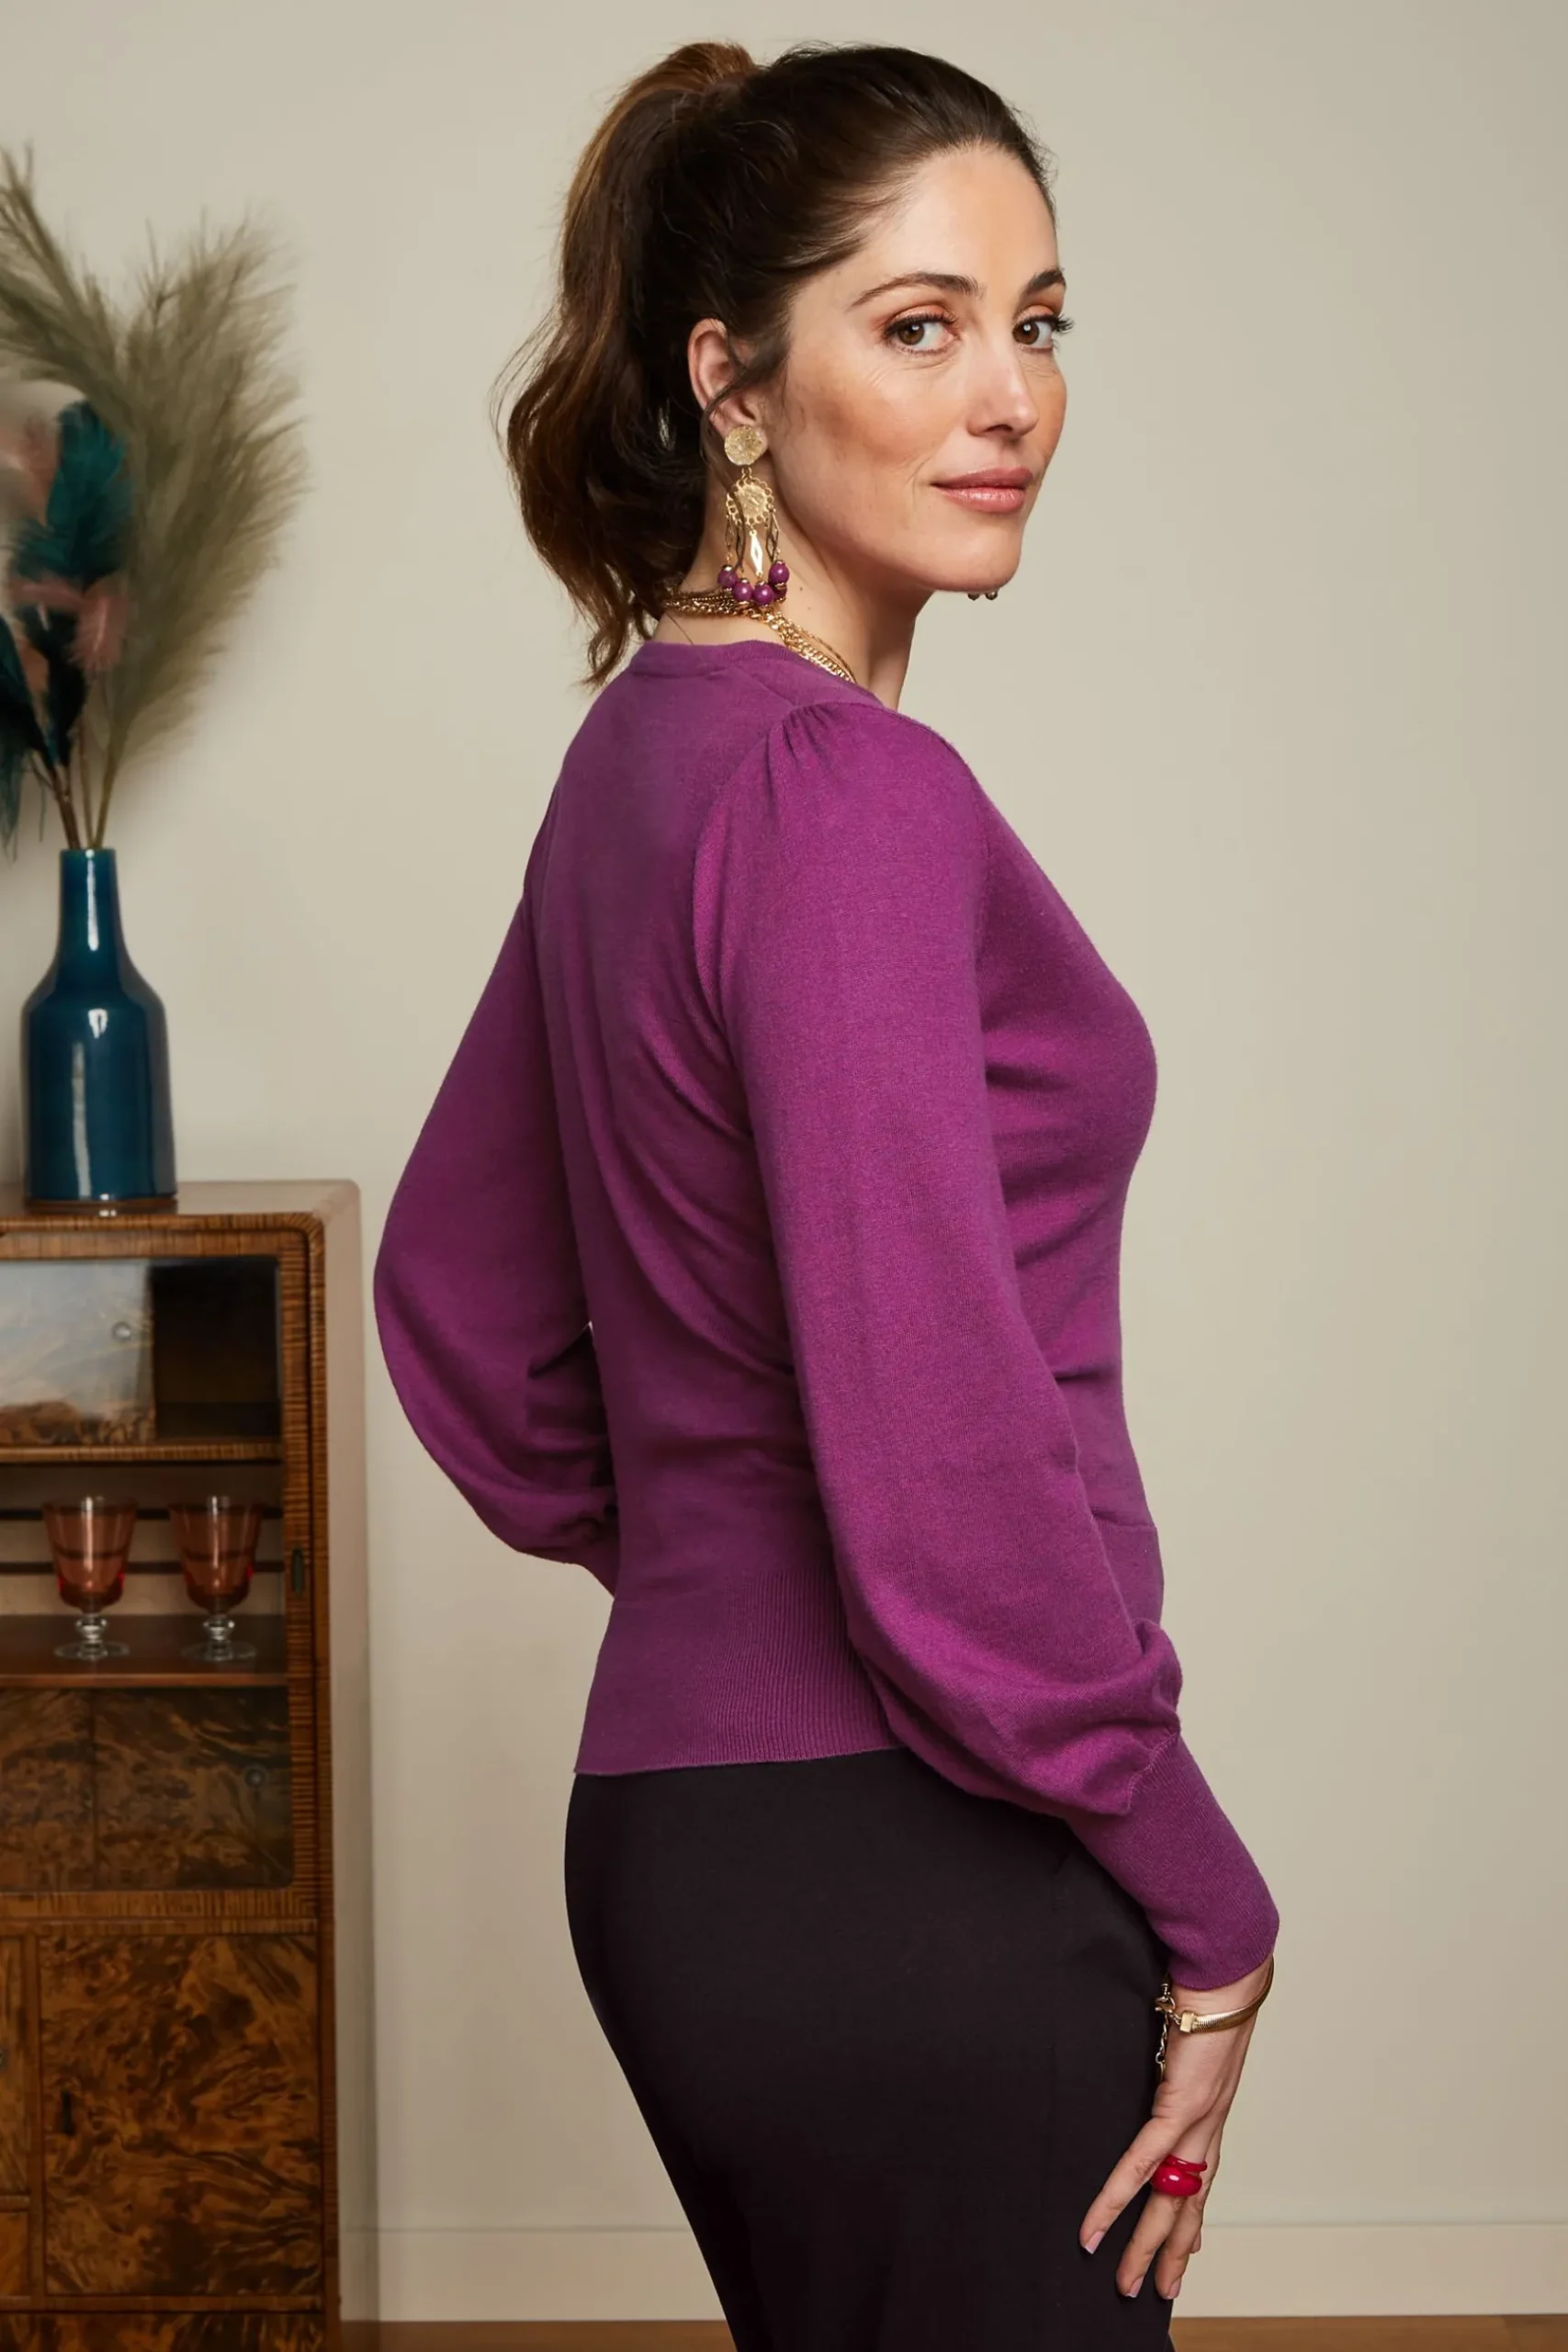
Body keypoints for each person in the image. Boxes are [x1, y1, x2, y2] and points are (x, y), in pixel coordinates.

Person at [372, 36, 1280, 2349]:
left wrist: (722, 1549)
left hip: (689, 1843)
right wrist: (1210, 1899)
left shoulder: (640, 751)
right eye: (918, 323)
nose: (1008, 397)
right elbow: (947, 1459)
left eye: (1036, 322)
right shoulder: (843, 795)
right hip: (914, 1869)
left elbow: (455, 1298)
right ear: (733, 381)